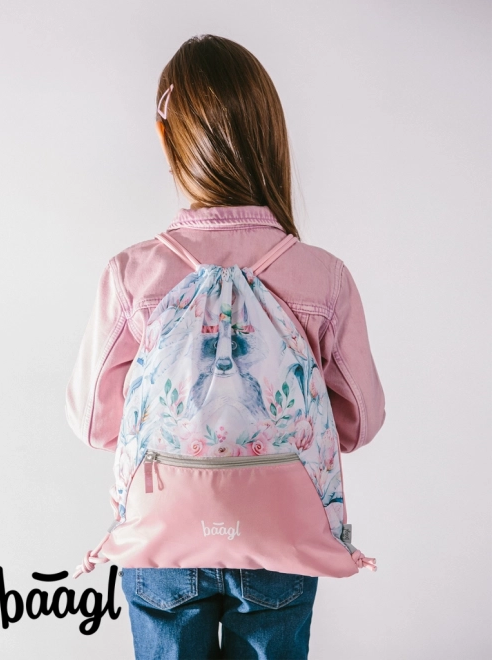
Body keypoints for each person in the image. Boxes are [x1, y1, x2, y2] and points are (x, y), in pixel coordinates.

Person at [65, 34, 386, 660]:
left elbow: (93, 424)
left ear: (166, 138)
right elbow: (359, 422)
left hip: (162, 537)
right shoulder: (323, 277)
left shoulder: (133, 275)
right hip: (281, 536)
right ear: (270, 137)